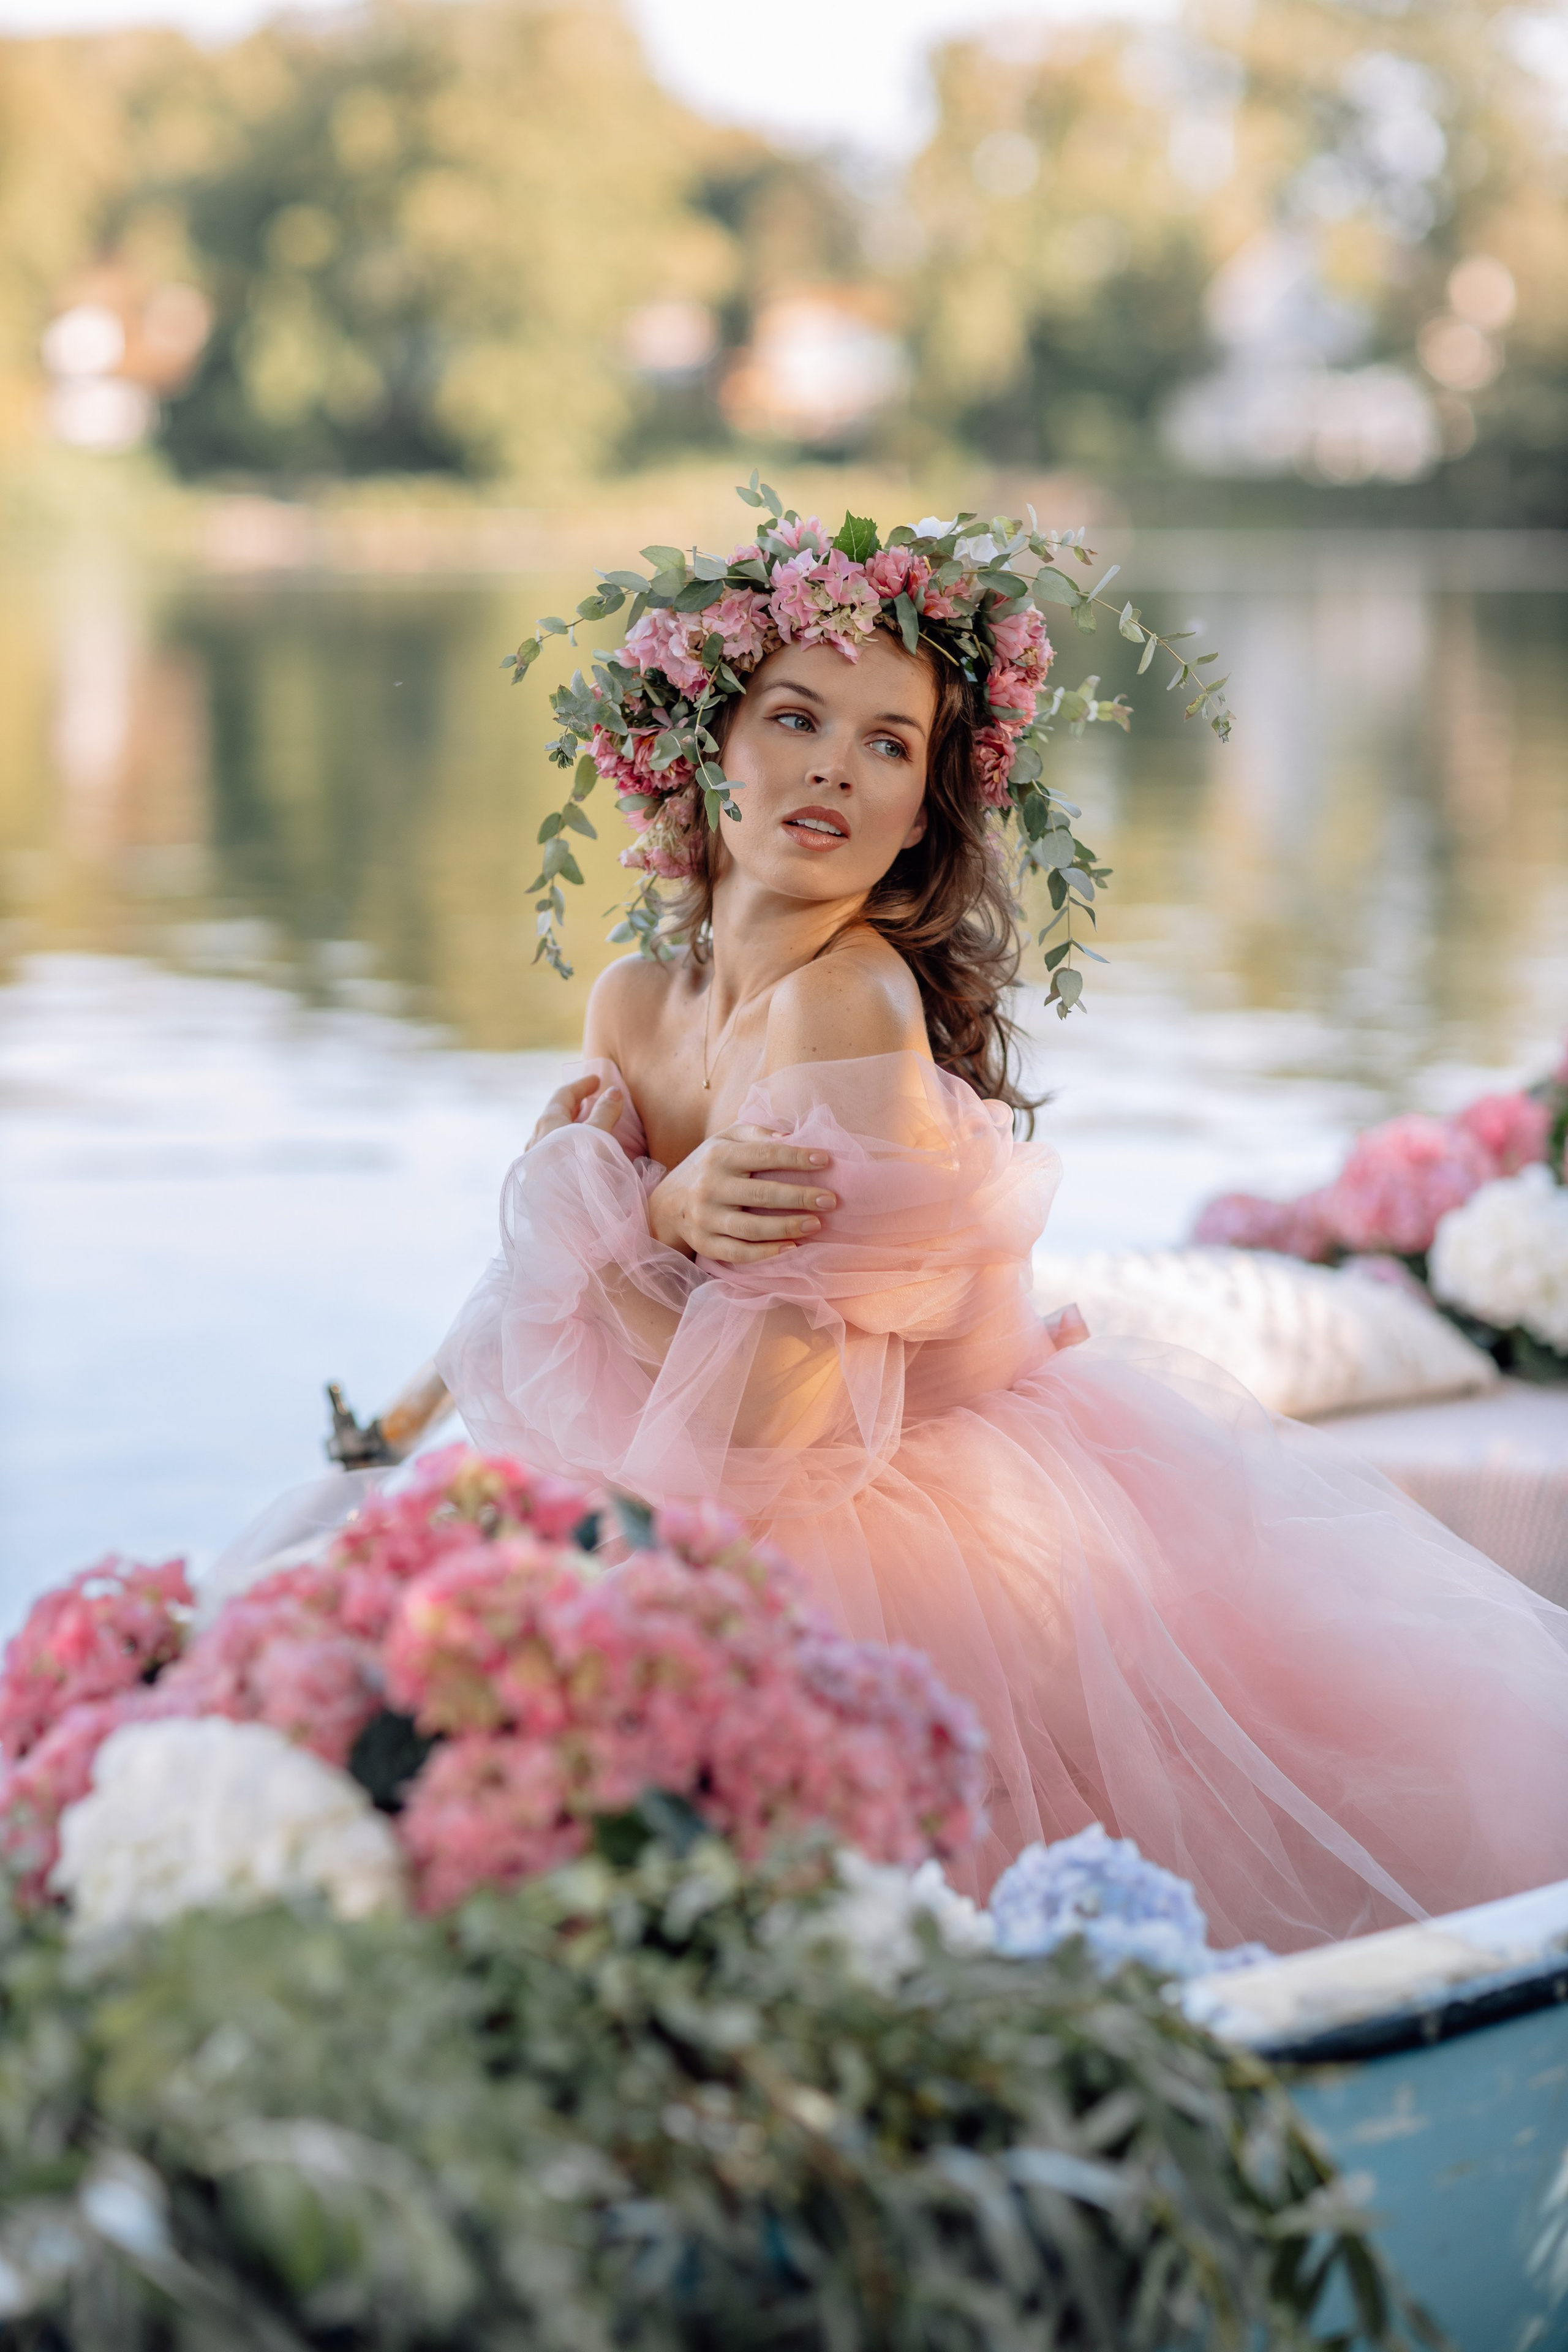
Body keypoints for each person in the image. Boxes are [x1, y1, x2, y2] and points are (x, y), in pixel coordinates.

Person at [437, 504, 1568, 1951]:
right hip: (719, 1485)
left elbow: (778, 1420)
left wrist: (600, 1234)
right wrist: (647, 1208)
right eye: (793, 716)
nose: (834, 767)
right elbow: (632, 1322)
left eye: (889, 744)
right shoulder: (630, 1004)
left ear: (922, 814)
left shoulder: (844, 1006)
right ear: (705, 745)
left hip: (901, 1516)